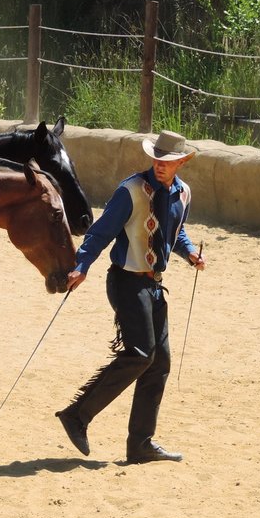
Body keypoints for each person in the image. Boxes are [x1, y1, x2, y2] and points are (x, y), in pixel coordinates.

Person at [56, 130, 205, 463]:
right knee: (140, 354)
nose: (160, 165)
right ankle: (77, 415)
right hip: (125, 282)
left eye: (167, 161)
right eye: (157, 159)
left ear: (181, 162)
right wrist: (82, 265)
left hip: (154, 285)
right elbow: (101, 232)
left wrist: (191, 253)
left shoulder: (183, 194)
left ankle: (140, 444)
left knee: (159, 362)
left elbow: (175, 232)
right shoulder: (132, 190)